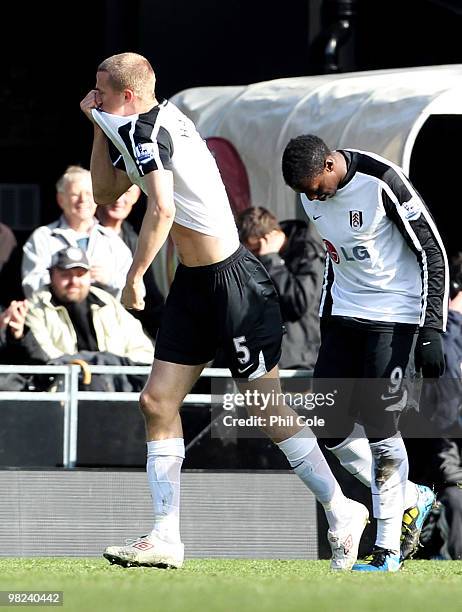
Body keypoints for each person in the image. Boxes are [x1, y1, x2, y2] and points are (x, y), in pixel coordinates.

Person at [80, 52, 369, 571]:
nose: (92, 96)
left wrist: (133, 277)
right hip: (195, 285)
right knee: (156, 402)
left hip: (234, 284)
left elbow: (162, 209)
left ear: (126, 95)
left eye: (99, 91)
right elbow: (105, 191)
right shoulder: (138, 123)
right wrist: (98, 125)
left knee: (268, 410)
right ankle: (165, 536)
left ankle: (341, 507)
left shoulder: (151, 132)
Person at [282, 134, 448, 571]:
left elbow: (433, 250)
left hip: (395, 317)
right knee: (329, 425)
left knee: (380, 428)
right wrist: (326, 320)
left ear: (331, 164)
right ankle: (412, 496)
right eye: (304, 191)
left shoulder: (381, 181)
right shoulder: (310, 195)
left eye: (315, 187)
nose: (312, 197)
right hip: (342, 317)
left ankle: (388, 549)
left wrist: (432, 327)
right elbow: (338, 260)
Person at [25, 246, 154, 367]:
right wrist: (87, 365)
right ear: (51, 276)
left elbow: (144, 351)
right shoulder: (36, 306)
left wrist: (110, 364)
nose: (74, 281)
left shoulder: (107, 302)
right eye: (65, 275)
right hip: (63, 386)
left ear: (89, 275)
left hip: (114, 385)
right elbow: (45, 357)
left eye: (80, 274)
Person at [22, 165, 133, 300]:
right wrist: (63, 279)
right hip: (56, 317)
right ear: (61, 199)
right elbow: (31, 285)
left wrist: (109, 279)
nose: (83, 200)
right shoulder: (43, 237)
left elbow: (137, 291)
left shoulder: (112, 241)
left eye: (89, 194)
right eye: (75, 194)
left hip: (104, 317)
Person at [236, 206, 324, 370]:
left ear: (267, 239)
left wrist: (271, 260)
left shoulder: (307, 250)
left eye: (255, 251)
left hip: (297, 360)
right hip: (260, 354)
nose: (255, 256)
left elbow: (299, 302)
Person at [96, 184, 165, 339]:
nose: (119, 199)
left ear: (137, 195)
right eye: (114, 191)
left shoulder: (136, 240)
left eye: (127, 192)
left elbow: (151, 299)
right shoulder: (84, 233)